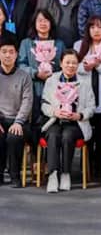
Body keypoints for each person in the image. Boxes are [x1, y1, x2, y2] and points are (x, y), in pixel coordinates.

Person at [40, 49, 95, 192]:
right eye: (67, 62)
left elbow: (91, 106)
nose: (71, 66)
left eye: (74, 63)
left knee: (67, 136)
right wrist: (55, 112)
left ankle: (66, 173)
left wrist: (80, 115)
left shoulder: (84, 82)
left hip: (75, 123)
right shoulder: (52, 80)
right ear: (61, 63)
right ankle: (53, 174)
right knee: (53, 135)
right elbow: (44, 104)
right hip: (55, 120)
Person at [75, 15, 101, 177]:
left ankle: (100, 169)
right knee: (86, 134)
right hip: (85, 99)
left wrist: (98, 65)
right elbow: (73, 67)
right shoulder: (79, 45)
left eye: (100, 27)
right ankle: (85, 169)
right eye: (92, 27)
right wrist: (86, 67)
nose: (96, 31)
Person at [0, 35, 32, 188]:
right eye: (4, 51)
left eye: (11, 52)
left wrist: (18, 122)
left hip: (19, 120)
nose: (7, 55)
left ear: (16, 54)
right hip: (1, 119)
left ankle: (15, 175)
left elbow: (27, 101)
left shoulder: (24, 76)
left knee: (14, 136)